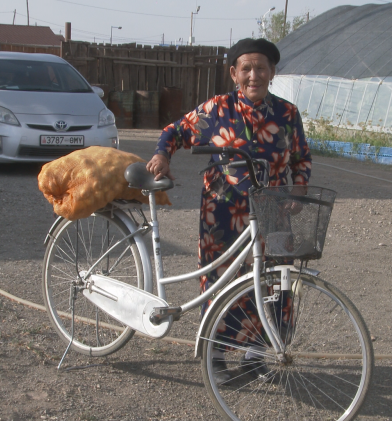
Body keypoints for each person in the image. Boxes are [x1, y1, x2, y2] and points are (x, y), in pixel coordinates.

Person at [146, 38, 312, 382]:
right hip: (222, 212)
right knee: (221, 280)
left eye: (261, 68)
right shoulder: (216, 110)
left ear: (272, 72)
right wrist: (163, 155)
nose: (254, 75)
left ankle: (257, 355)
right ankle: (216, 354)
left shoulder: (287, 113)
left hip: (273, 210)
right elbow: (174, 132)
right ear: (234, 73)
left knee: (275, 280)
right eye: (246, 68)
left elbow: (301, 159)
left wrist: (298, 188)